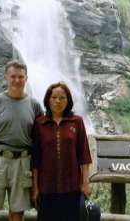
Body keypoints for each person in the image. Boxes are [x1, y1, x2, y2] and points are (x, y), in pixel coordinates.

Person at [0, 60, 42, 221]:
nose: (17, 80)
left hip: (22, 162)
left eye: (21, 77)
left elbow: (39, 140)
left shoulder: (35, 105)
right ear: (6, 77)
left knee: (17, 215)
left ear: (26, 78)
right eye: (13, 76)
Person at [31, 82, 92, 221]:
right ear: (48, 100)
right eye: (54, 97)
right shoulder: (40, 123)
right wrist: (35, 188)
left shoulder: (77, 122)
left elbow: (84, 155)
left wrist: (85, 183)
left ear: (68, 100)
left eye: (62, 97)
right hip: (46, 188)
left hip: (72, 188)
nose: (58, 101)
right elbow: (35, 159)